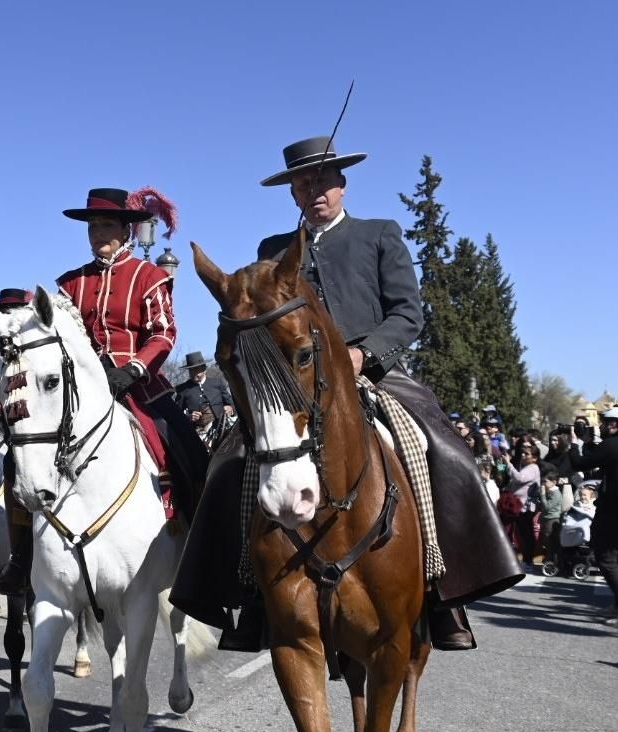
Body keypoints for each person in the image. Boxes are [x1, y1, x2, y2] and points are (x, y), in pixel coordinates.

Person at [175, 140, 522, 651]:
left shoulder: (379, 235)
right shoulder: (272, 248)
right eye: (304, 183)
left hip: (372, 372)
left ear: (342, 184)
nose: (315, 191)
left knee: (437, 446)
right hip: (294, 380)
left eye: (324, 180)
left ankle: (442, 587)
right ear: (292, 191)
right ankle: (244, 589)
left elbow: (408, 314)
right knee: (231, 459)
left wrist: (364, 356)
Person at [0, 187, 210, 596]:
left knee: (192, 455)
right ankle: (22, 560)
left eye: (106, 225)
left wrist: (133, 369)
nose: (98, 234)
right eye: (92, 227)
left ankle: (201, 559)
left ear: (126, 229)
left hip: (143, 388)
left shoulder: (149, 276)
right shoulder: (70, 283)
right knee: (17, 459)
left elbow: (164, 335)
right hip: (79, 393)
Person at [572, 407, 618, 628]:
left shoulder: (614, 444)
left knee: (606, 559)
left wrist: (576, 443)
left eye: (605, 423)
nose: (602, 427)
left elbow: (580, 463)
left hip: (613, 509)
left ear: (614, 425)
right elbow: (600, 457)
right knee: (617, 557)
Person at [174, 351, 234, 429]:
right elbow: (176, 415)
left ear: (204, 369)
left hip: (224, 427)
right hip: (199, 432)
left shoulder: (217, 383)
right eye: (190, 370)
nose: (193, 373)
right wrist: (188, 417)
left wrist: (230, 408)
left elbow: (231, 403)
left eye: (196, 369)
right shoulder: (182, 390)